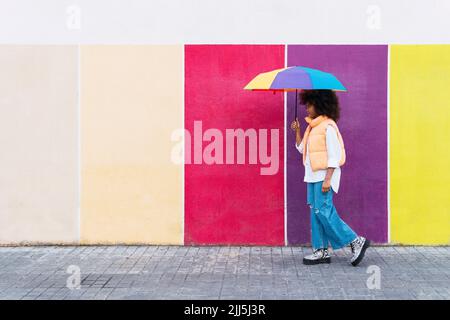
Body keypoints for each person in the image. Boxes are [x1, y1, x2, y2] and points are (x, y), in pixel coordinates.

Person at [290, 89, 370, 267]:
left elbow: (334, 156)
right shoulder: (312, 127)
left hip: (323, 177)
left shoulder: (328, 126)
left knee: (324, 211)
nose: (307, 109)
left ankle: (355, 241)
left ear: (320, 104)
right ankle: (320, 250)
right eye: (307, 105)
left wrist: (328, 179)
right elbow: (302, 149)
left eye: (310, 105)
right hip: (311, 177)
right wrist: (297, 131)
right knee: (316, 213)